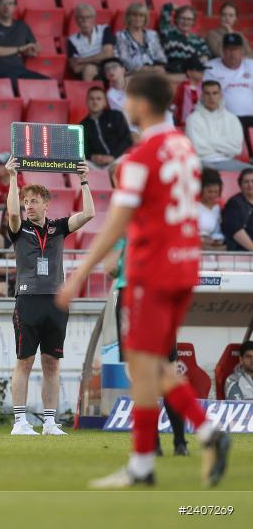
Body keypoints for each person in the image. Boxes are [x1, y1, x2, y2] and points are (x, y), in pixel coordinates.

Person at [57, 73, 230, 488]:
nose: (124, 105)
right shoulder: (185, 147)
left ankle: (195, 436)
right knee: (149, 364)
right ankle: (152, 459)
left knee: (143, 364)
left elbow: (118, 221)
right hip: (184, 266)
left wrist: (79, 273)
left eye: (128, 98)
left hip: (152, 271)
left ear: (141, 103)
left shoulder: (140, 157)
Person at [102, 160, 189, 457]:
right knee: (167, 370)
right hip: (161, 297)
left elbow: (110, 267)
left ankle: (153, 445)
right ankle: (181, 442)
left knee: (142, 375)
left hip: (134, 298)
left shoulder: (122, 215)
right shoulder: (162, 208)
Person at [4, 154, 95, 437]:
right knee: (24, 360)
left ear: (46, 204)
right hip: (28, 300)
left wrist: (84, 181)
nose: (28, 206)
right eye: (26, 201)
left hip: (56, 301)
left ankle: (49, 422)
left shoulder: (58, 228)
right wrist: (12, 177)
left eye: (34, 201)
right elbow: (13, 214)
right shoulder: (20, 229)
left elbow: (89, 214)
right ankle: (20, 422)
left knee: (52, 363)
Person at [0, 0, 46, 83]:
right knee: (22, 84)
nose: (6, 6)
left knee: (50, 83)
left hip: (20, 71)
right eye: (3, 3)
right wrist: (19, 49)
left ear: (15, 7)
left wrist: (34, 50)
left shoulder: (22, 26)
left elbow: (34, 48)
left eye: (10, 3)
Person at [185, 81, 250, 172]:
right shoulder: (193, 119)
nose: (211, 97)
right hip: (202, 162)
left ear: (220, 95)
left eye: (215, 93)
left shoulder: (232, 118)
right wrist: (224, 146)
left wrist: (208, 141)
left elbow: (236, 148)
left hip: (228, 161)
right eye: (207, 93)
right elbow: (197, 148)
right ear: (202, 96)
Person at [204, 34, 253, 137]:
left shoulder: (251, 65)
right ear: (223, 50)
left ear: (242, 51)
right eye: (229, 49)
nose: (233, 53)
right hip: (226, 120)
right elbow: (208, 94)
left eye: (236, 49)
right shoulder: (211, 67)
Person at [81, 85, 134, 168]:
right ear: (87, 101)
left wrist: (113, 156)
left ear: (105, 102)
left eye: (99, 99)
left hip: (118, 159)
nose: (95, 102)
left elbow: (127, 140)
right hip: (97, 165)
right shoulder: (82, 125)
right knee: (81, 164)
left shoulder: (116, 116)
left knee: (127, 158)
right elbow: (83, 150)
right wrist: (92, 157)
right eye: (91, 99)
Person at [158, 3, 211, 76]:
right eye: (182, 18)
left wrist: (204, 57)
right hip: (172, 71)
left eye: (189, 19)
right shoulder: (168, 31)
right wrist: (180, 8)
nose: (185, 22)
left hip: (193, 73)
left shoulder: (198, 39)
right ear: (176, 19)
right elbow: (166, 8)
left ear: (193, 22)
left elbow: (207, 53)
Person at [67, 3, 116, 81]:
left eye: (88, 17)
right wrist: (98, 59)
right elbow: (76, 68)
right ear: (76, 20)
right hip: (89, 71)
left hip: (109, 67)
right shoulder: (72, 40)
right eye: (81, 18)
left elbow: (108, 55)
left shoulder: (104, 30)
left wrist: (83, 60)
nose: (84, 20)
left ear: (94, 18)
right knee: (89, 69)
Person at [115, 2, 167, 74]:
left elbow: (160, 55)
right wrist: (143, 69)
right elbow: (124, 59)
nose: (138, 18)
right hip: (133, 71)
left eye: (141, 16)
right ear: (128, 17)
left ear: (145, 18)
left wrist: (160, 66)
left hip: (154, 69)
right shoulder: (120, 36)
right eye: (134, 15)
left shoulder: (152, 34)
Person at [221, 167, 253, 252]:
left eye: (252, 181)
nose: (250, 185)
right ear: (240, 185)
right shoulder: (234, 203)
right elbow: (236, 231)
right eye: (246, 182)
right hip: (240, 253)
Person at [171, 58, 206, 126]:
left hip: (201, 124)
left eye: (203, 70)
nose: (202, 72)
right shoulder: (181, 88)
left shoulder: (204, 86)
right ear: (189, 72)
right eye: (199, 70)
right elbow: (173, 106)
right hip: (183, 125)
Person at [198, 168, 225, 250]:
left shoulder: (218, 208)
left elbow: (218, 231)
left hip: (211, 247)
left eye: (216, 192)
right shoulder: (192, 206)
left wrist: (217, 240)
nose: (213, 195)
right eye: (209, 191)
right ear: (201, 189)